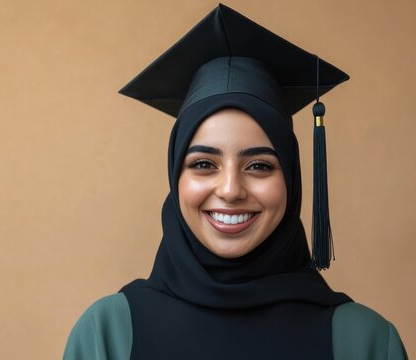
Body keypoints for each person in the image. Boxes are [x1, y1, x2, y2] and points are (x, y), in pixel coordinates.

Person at [63, 4, 408, 360]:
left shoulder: (362, 341)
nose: (230, 190)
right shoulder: (109, 334)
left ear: (291, 178)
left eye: (259, 165)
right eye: (203, 164)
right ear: (174, 176)